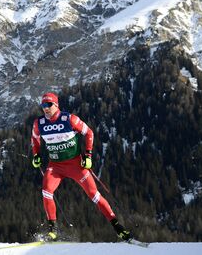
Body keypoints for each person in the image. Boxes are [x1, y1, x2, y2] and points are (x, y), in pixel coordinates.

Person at [31, 92, 132, 241]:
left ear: (56, 105)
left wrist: (88, 156)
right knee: (46, 191)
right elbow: (35, 138)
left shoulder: (69, 119)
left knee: (94, 195)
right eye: (43, 105)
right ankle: (52, 229)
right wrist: (36, 155)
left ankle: (117, 226)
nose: (46, 108)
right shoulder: (39, 123)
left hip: (75, 165)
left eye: (49, 105)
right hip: (55, 166)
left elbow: (89, 133)